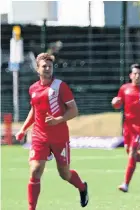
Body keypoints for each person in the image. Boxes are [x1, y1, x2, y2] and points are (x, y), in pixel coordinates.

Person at [15, 53, 89, 210]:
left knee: (64, 174)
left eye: (50, 66)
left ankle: (82, 187)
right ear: (37, 69)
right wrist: (23, 129)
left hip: (59, 138)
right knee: (35, 171)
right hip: (39, 136)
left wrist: (58, 120)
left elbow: (74, 111)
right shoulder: (33, 89)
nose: (47, 69)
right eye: (44, 66)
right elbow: (34, 111)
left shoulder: (60, 87)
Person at [111, 63, 140, 193]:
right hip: (128, 125)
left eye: (139, 74)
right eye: (135, 73)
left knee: (132, 152)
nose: (137, 76)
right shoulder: (124, 88)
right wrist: (115, 103)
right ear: (130, 75)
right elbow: (118, 103)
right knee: (129, 151)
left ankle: (125, 184)